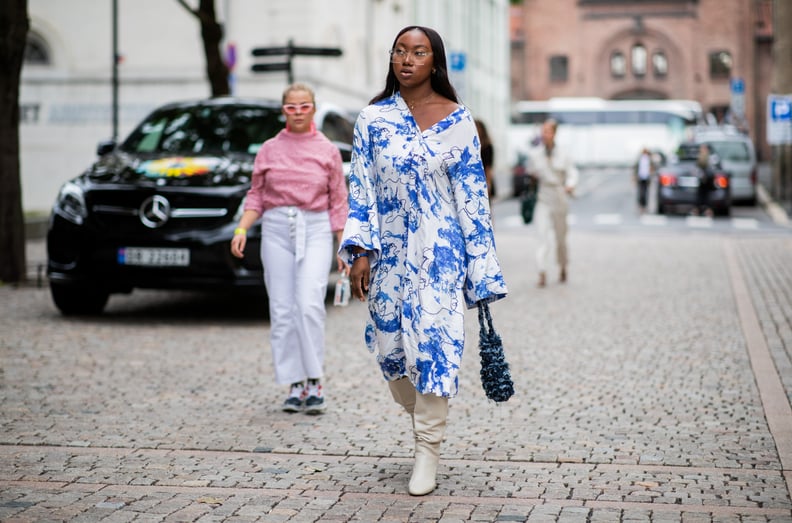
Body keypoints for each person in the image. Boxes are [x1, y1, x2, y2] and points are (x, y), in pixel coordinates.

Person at [339, 26, 507, 496]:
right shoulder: (372, 120)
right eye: (399, 51)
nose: (406, 59)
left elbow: (473, 201)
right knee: (392, 353)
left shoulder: (458, 122)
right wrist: (358, 252)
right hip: (387, 255)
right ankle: (426, 417)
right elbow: (361, 189)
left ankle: (426, 451)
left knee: (434, 345)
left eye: (418, 52)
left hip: (440, 253)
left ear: (435, 62)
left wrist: (481, 272)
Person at [230, 82, 349, 415]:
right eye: (291, 107)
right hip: (277, 229)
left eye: (304, 106)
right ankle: (294, 382)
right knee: (282, 310)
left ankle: (315, 379)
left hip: (315, 228)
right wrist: (242, 227)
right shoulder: (269, 149)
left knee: (308, 304)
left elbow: (338, 202)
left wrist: (345, 247)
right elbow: (256, 195)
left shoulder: (327, 151)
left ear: (313, 108)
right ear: (283, 111)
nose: (297, 112)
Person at [527, 118, 578, 288]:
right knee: (542, 236)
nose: (545, 134)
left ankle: (563, 266)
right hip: (543, 197)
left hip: (560, 197)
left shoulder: (564, 153)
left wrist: (570, 185)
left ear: (554, 133)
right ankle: (541, 271)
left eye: (548, 131)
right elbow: (531, 173)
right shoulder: (535, 154)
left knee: (561, 238)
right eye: (543, 131)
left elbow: (572, 172)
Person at [475, 119, 496, 199]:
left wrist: (488, 183)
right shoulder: (471, 146)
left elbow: (488, 166)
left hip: (484, 178)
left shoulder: (487, 146)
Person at [693, 143, 715, 217]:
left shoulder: (710, 157)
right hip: (703, 179)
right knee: (701, 195)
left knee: (705, 195)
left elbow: (712, 168)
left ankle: (705, 210)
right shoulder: (702, 157)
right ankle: (700, 210)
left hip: (707, 179)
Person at [634, 147, 653, 213]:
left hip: (647, 178)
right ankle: (640, 206)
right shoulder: (640, 159)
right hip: (640, 177)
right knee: (641, 193)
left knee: (645, 193)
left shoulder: (649, 159)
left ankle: (645, 206)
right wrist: (635, 177)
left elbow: (652, 168)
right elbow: (636, 168)